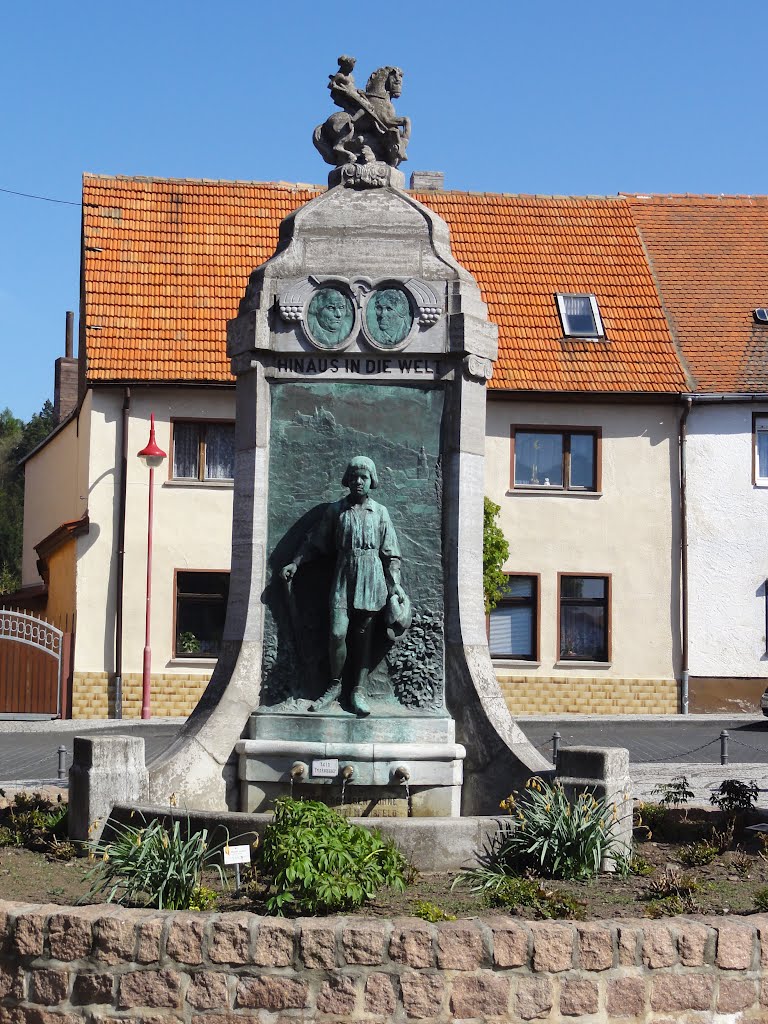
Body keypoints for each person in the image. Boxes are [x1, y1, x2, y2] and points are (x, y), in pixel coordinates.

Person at [281, 456, 406, 716]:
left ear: (372, 481)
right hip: (344, 575)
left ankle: (358, 690)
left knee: (363, 638)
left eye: (364, 477)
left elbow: (391, 554)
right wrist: (296, 563)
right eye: (354, 476)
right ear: (347, 479)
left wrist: (395, 585)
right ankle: (335, 685)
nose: (359, 481)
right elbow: (316, 542)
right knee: (338, 633)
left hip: (371, 578)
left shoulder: (380, 512)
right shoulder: (336, 511)